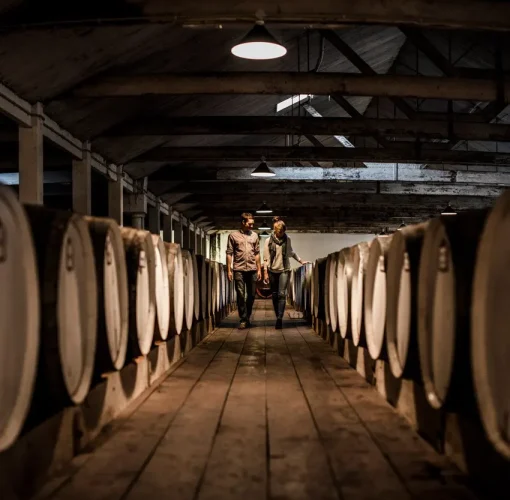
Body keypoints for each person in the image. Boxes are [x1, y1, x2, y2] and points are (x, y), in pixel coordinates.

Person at [263, 219, 309, 329]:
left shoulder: (287, 239)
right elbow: (265, 258)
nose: (281, 235)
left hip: (284, 269)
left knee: (282, 294)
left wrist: (301, 260)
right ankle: (277, 314)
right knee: (274, 294)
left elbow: (291, 252)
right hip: (272, 270)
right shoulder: (268, 240)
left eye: (282, 232)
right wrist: (265, 272)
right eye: (279, 232)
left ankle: (279, 318)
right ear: (275, 231)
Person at [226, 212, 262, 329]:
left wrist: (259, 269)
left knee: (251, 295)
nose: (252, 226)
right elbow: (229, 253)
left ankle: (247, 316)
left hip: (252, 269)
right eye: (250, 224)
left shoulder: (255, 236)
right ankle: (243, 319)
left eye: (253, 224)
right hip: (239, 269)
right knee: (241, 294)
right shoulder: (233, 236)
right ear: (243, 222)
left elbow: (257, 253)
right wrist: (229, 270)